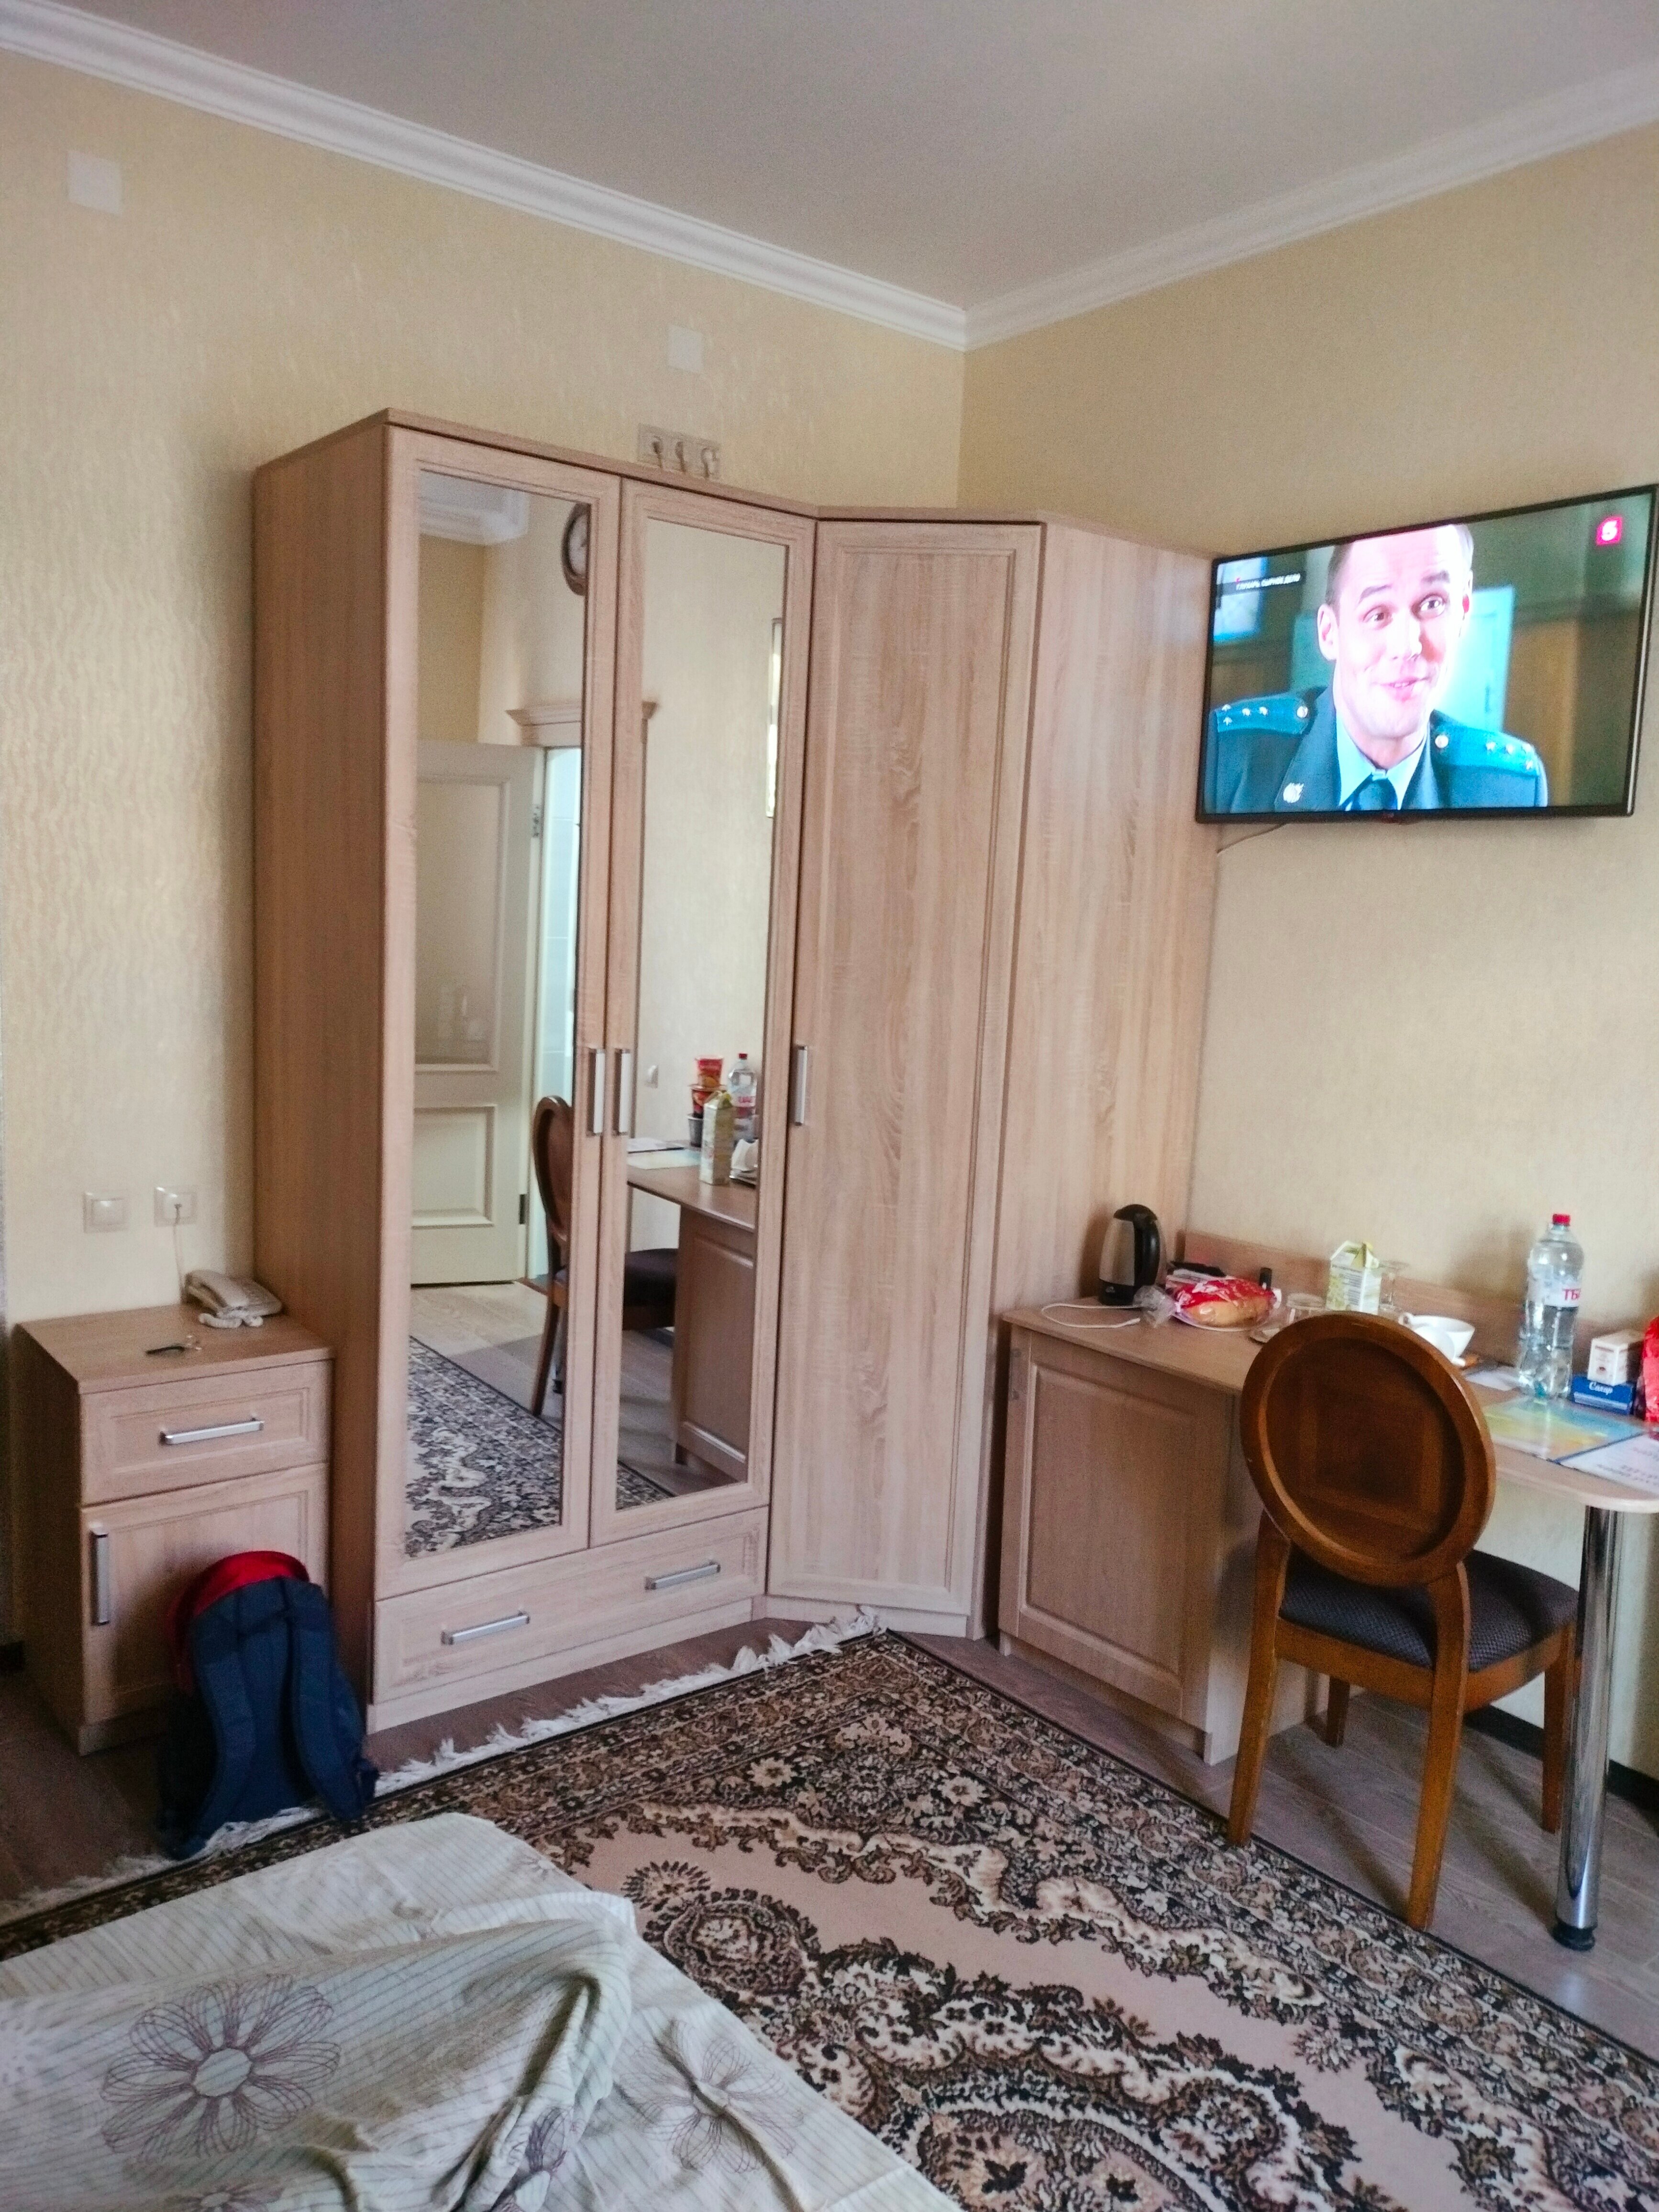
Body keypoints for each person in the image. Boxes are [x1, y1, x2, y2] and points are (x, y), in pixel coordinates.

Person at [1205, 523, 1548, 813]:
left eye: (1433, 603)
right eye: (1378, 614)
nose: (1408, 646)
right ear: (1329, 632)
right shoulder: (1228, 757)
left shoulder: (1510, 788)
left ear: (1463, 610)